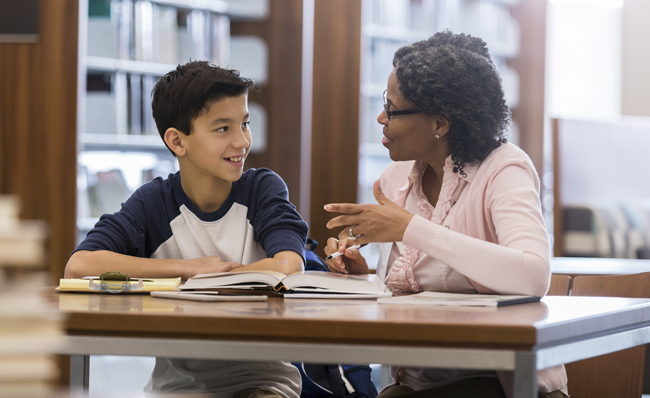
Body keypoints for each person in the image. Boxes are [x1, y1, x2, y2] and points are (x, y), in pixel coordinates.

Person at [323, 31, 568, 398]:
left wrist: (410, 229)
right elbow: (415, 291)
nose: (380, 118)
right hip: (414, 386)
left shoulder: (504, 169)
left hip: (501, 386)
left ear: (441, 123)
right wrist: (362, 276)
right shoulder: (395, 178)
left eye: (392, 109)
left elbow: (533, 275)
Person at [64, 61, 308, 398]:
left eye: (245, 124)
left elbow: (287, 265)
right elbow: (80, 266)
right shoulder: (154, 202)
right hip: (179, 387)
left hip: (263, 382)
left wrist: (206, 280)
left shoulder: (262, 189)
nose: (242, 141)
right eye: (223, 129)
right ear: (177, 141)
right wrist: (187, 269)